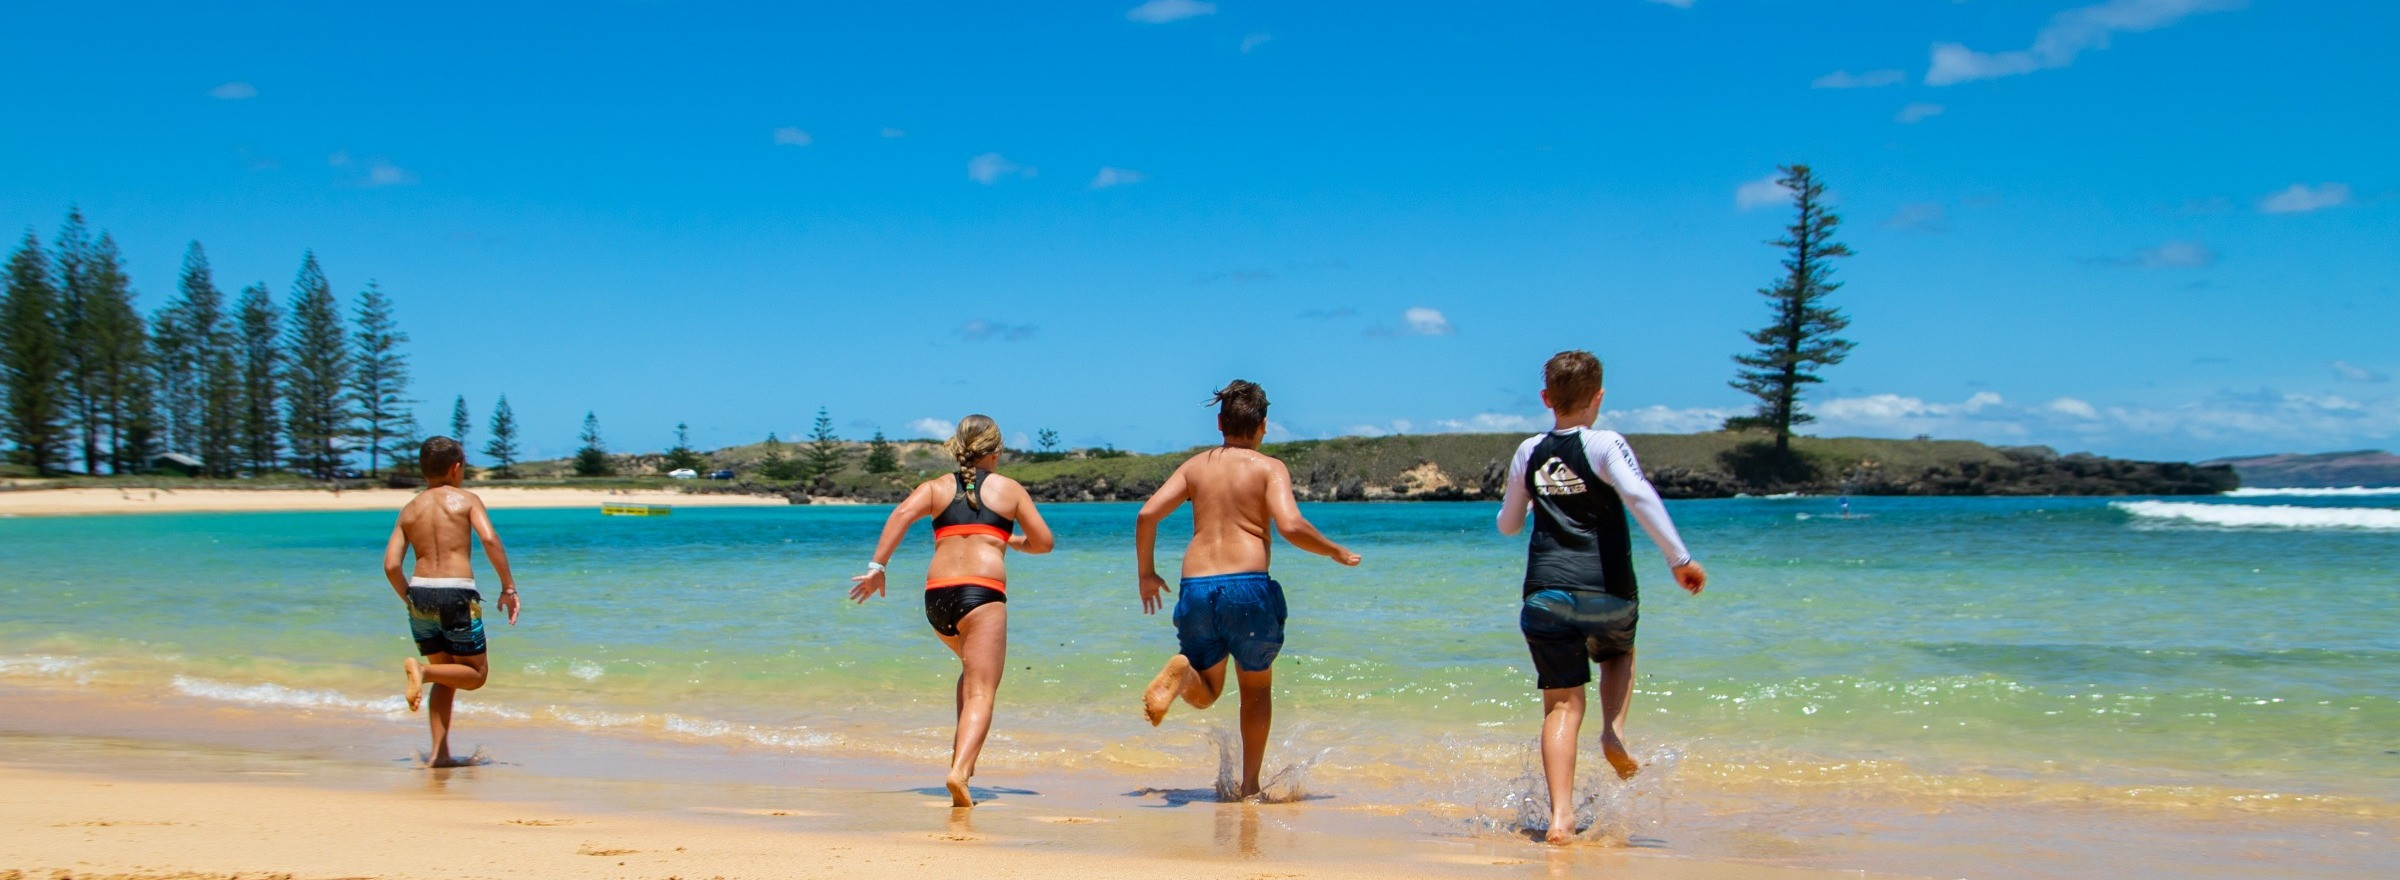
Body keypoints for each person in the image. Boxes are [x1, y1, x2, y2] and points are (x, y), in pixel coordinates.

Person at [1495, 350, 1708, 844]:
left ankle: (1561, 818)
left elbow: (1508, 525)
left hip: (1544, 595)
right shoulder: (1606, 443)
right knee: (1618, 651)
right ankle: (1612, 731)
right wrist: (1679, 559)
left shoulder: (1528, 451)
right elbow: (1638, 495)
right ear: (1598, 397)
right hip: (1609, 590)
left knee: (1562, 707)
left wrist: (1537, 503)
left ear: (1547, 399)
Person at [1136, 380, 1361, 800]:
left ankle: (1185, 674)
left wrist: (1147, 574)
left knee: (1207, 693)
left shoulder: (1194, 467)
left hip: (1196, 587)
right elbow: (1291, 526)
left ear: (1220, 422)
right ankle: (1251, 786)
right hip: (1247, 586)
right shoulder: (1269, 468)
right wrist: (1333, 550)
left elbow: (1147, 515)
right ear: (1263, 427)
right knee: (1254, 690)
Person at [849, 414, 1055, 808]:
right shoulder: (1009, 490)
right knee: (983, 689)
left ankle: (963, 764)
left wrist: (877, 568)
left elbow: (900, 515)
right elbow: (1044, 542)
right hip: (982, 593)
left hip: (937, 598)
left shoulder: (935, 488)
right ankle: (959, 772)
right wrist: (1012, 542)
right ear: (995, 452)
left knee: (970, 675)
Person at [382, 436, 521, 768]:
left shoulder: (410, 508)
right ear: (456, 467)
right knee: (475, 674)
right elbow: (488, 538)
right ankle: (423, 672)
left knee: (448, 676)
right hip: (456, 592)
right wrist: (509, 587)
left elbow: (390, 566)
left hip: (419, 592)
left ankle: (440, 755)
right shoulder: (467, 499)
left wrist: (410, 600)